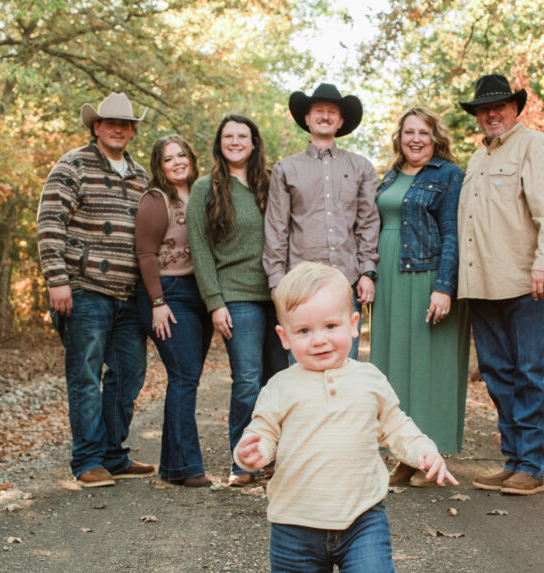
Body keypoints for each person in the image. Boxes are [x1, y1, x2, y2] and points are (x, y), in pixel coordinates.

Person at [235, 262, 458, 573]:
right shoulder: (280, 387)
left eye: (331, 325)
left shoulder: (369, 379)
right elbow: (261, 434)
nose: (319, 340)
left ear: (353, 325)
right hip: (294, 521)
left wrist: (424, 449)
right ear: (284, 336)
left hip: (361, 514)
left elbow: (397, 426)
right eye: (303, 331)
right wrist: (252, 453)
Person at [457, 74, 544, 495]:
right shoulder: (476, 160)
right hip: (483, 282)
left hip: (527, 281)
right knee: (496, 373)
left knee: (529, 371)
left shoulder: (536, 147)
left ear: (514, 108)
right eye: (483, 109)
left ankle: (532, 465)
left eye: (499, 106)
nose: (491, 114)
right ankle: (513, 459)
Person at [36, 92, 156, 488]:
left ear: (133, 130)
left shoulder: (141, 176)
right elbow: (50, 223)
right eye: (110, 123)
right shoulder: (72, 166)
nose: (118, 129)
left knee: (129, 375)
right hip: (84, 290)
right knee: (86, 375)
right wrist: (57, 280)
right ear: (97, 127)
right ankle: (87, 460)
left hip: (128, 293)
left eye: (125, 124)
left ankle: (113, 455)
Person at [370, 106, 469, 488]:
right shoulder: (391, 175)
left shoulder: (449, 174)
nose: (415, 139)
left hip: (426, 274)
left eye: (423, 133)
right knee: (396, 367)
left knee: (431, 367)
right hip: (391, 278)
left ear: (434, 138)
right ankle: (406, 455)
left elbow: (452, 232)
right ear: (400, 138)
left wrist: (444, 287)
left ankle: (432, 456)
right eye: (408, 132)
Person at [187, 114, 287, 487]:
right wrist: (215, 302)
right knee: (246, 381)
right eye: (228, 136)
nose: (235, 141)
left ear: (254, 142)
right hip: (236, 297)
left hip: (278, 296)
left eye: (242, 135)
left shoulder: (272, 183)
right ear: (219, 143)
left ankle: (274, 456)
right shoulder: (206, 188)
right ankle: (244, 462)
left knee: (278, 381)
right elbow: (200, 248)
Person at [263, 83, 380, 359]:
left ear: (340, 121)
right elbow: (277, 228)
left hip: (346, 281)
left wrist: (367, 272)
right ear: (307, 119)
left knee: (343, 363)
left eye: (331, 112)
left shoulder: (360, 167)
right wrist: (277, 282)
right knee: (302, 365)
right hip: (301, 284)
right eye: (318, 111)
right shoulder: (286, 169)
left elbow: (367, 224)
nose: (325, 116)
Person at [135, 135, 213, 487]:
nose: (178, 162)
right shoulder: (156, 200)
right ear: (159, 166)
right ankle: (187, 468)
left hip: (200, 292)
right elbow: (146, 255)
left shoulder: (203, 196)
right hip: (167, 293)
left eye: (182, 155)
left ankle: (171, 466)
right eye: (169, 159)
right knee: (184, 376)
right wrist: (157, 303)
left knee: (188, 376)